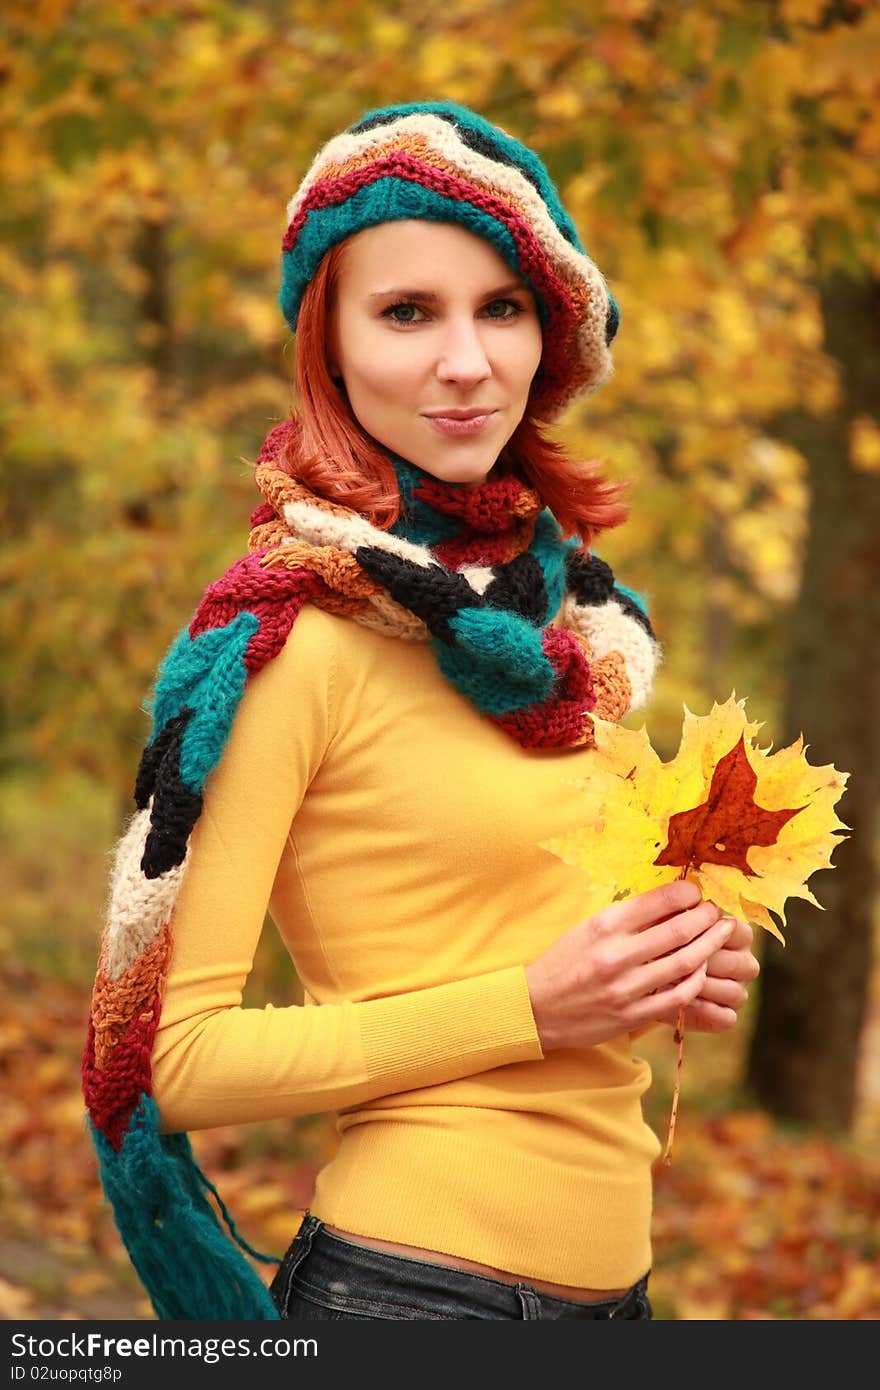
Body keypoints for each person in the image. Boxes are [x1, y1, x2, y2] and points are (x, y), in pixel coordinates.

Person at [82, 100, 759, 1323]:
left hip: (618, 1296)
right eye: (407, 311)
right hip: (415, 1297)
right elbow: (170, 1062)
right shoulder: (290, 643)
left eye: (500, 307)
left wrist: (666, 959)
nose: (467, 360)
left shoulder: (574, 629)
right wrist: (531, 1008)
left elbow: (518, 922)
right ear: (327, 342)